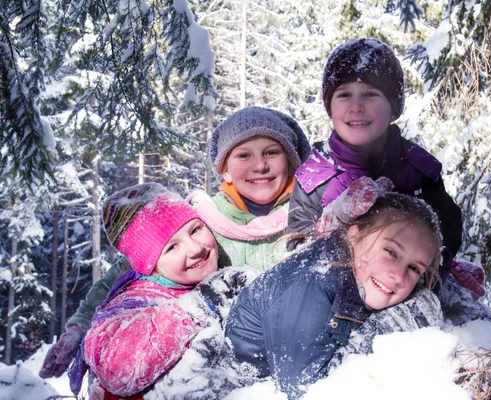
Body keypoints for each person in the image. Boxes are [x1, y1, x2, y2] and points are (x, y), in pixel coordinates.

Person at [39, 106, 311, 380]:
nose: (260, 165)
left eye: (272, 152)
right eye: (243, 155)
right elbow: (125, 270)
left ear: (290, 159)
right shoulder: (203, 219)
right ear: (225, 170)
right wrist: (80, 324)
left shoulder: (310, 215)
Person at [226, 182, 446, 399]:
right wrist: (386, 328)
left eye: (414, 268)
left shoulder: (362, 273)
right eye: (390, 252)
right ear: (354, 236)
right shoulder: (314, 282)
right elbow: (305, 391)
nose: (398, 276)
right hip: (239, 384)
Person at [287, 38, 467, 287]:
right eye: (344, 95)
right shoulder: (315, 176)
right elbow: (298, 254)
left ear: (393, 109)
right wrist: (334, 221)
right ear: (330, 108)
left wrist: (437, 273)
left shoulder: (418, 170)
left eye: (370, 94)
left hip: (403, 288)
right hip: (335, 295)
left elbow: (447, 230)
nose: (356, 106)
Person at [68, 183, 253, 398]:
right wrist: (195, 308)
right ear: (149, 265)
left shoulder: (201, 281)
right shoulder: (134, 302)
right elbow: (117, 369)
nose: (195, 249)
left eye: (195, 230)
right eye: (172, 247)